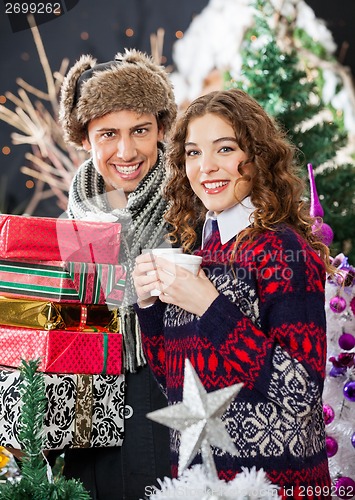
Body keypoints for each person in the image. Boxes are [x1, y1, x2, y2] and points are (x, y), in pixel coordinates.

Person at [133, 88, 333, 498]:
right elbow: (175, 382)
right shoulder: (198, 252)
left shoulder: (282, 248)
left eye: (224, 149)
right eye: (192, 153)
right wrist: (150, 305)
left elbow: (302, 391)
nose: (205, 167)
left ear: (257, 156)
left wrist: (209, 305)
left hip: (272, 486)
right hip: (195, 482)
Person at [52, 48, 178, 499]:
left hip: (176, 429)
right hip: (90, 444)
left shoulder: (193, 213)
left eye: (140, 130)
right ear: (84, 137)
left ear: (161, 129)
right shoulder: (65, 231)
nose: (126, 151)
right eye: (108, 133)